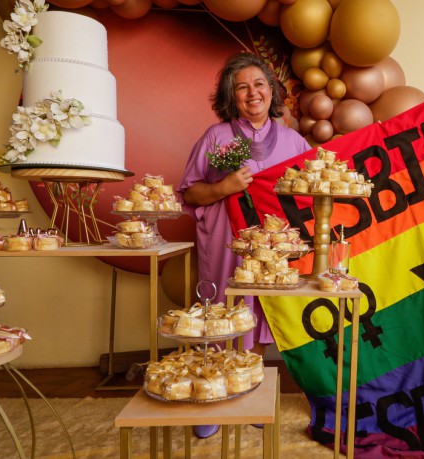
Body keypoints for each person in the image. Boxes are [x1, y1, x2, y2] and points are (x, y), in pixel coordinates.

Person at [177, 52, 311, 438]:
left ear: (272, 90)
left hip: (271, 247)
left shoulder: (293, 140)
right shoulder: (215, 137)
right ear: (230, 96)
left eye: (259, 84)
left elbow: (305, 197)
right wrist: (224, 187)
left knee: (259, 314)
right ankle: (214, 396)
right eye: (242, 87)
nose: (252, 93)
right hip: (224, 240)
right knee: (222, 312)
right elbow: (192, 192)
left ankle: (247, 388)